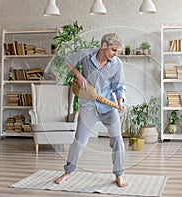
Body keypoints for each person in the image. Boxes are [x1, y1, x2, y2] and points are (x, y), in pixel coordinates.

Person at [54, 33, 127, 187]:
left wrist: (120, 101)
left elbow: (119, 86)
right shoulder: (86, 55)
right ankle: (68, 172)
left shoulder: (117, 63)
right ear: (104, 46)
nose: (116, 54)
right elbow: (67, 61)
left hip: (108, 107)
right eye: (114, 50)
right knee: (79, 140)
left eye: (118, 51)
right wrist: (79, 74)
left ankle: (119, 175)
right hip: (88, 106)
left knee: (117, 140)